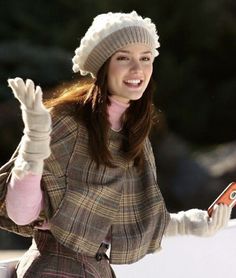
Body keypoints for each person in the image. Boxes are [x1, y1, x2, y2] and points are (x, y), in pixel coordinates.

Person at [4, 11, 231, 278]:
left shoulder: (132, 133)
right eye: (123, 58)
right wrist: (33, 152)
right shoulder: (65, 122)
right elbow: (21, 215)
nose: (137, 69)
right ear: (103, 66)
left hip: (97, 269)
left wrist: (191, 224)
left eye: (145, 58)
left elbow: (124, 224)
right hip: (56, 269)